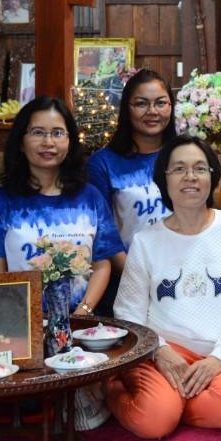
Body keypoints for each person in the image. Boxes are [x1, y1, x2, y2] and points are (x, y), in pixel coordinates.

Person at [108, 135, 221, 439]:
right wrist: (159, 351)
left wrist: (218, 359)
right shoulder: (146, 240)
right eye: (179, 169)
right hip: (162, 350)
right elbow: (128, 311)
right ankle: (112, 387)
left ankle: (172, 406)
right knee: (153, 424)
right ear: (164, 179)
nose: (190, 177)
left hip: (215, 352)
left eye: (199, 168)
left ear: (212, 176)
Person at [0, 97, 123, 319]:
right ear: (21, 142)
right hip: (21, 323)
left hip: (81, 323)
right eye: (38, 132)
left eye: (58, 133)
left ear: (69, 141)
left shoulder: (90, 197)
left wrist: (81, 314)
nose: (48, 142)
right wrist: (27, 324)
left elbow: (101, 265)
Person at [87, 69, 177, 314]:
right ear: (127, 108)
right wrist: (139, 278)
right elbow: (103, 233)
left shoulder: (184, 154)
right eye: (141, 104)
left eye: (160, 103)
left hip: (182, 274)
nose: (152, 111)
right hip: (127, 280)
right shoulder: (103, 163)